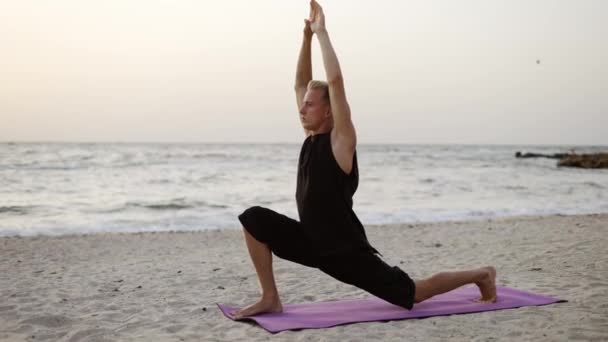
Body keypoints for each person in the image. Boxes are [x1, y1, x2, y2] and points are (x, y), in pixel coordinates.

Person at [232, 0, 496, 319]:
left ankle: (481, 274)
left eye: (310, 105)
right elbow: (300, 83)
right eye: (302, 105)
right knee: (254, 218)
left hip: (346, 252)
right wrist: (305, 38)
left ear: (329, 110)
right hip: (311, 241)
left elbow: (337, 83)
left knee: (414, 292)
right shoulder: (310, 140)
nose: (301, 109)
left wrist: (323, 32)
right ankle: (270, 297)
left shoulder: (342, 142)